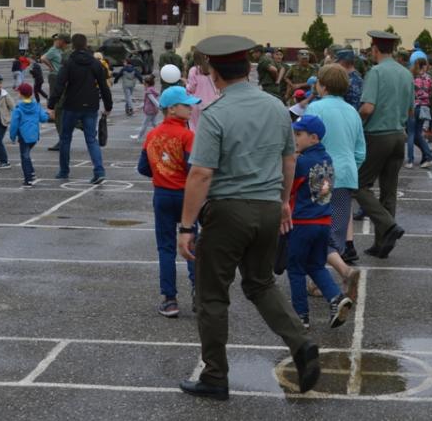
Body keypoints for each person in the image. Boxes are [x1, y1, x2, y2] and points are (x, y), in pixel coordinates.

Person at [176, 34, 320, 400]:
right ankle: (301, 343)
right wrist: (283, 202)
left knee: (212, 295)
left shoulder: (215, 114)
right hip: (269, 207)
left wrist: (186, 226)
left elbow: (201, 173)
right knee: (260, 284)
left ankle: (215, 376)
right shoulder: (276, 107)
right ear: (248, 69)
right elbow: (289, 159)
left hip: (229, 210)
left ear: (214, 74)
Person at [137, 85, 200, 317]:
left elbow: (143, 167)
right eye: (186, 105)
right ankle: (198, 292)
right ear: (172, 109)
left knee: (165, 248)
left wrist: (162, 172)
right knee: (191, 243)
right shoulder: (188, 136)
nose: (191, 108)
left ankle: (170, 299)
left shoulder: (152, 135)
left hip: (162, 195)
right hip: (185, 195)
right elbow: (193, 169)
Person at [287, 114, 355, 329]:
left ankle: (300, 315)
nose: (294, 138)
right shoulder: (327, 159)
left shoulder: (301, 162)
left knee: (295, 269)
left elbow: (288, 187)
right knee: (315, 265)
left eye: (299, 134)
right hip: (323, 221)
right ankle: (336, 298)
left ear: (314, 138)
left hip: (302, 222)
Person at [306, 65, 365, 296]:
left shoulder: (315, 107)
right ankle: (328, 275)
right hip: (346, 175)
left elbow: (306, 140)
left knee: (315, 225)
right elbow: (360, 151)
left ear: (323, 86)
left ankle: (333, 274)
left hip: (320, 174)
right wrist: (348, 168)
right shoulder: (352, 111)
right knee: (336, 228)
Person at [354, 30, 413, 259]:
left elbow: (368, 107)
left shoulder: (376, 72)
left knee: (358, 185)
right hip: (399, 134)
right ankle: (382, 244)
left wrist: (355, 123)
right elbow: (411, 110)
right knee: (389, 191)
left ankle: (389, 226)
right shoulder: (405, 73)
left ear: (375, 49)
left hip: (378, 135)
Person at [47, 33, 113, 185]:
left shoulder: (69, 62)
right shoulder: (95, 63)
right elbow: (103, 86)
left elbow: (59, 84)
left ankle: (64, 171)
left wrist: (51, 105)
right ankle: (99, 171)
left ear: (73, 45)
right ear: (85, 44)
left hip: (72, 105)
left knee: (65, 139)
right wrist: (108, 105)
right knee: (91, 139)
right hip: (91, 105)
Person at [9, 82, 50, 187]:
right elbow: (44, 118)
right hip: (34, 136)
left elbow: (14, 124)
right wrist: (47, 113)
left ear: (21, 94)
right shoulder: (36, 105)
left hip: (23, 136)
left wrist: (12, 136)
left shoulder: (18, 108)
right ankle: (31, 172)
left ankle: (28, 179)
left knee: (24, 156)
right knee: (26, 154)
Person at [42, 33, 71, 151]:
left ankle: (83, 126)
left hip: (62, 79)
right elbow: (43, 58)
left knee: (61, 109)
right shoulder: (56, 50)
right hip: (58, 78)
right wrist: (51, 67)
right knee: (60, 108)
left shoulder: (63, 51)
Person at [406, 58, 432, 169]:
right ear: (425, 65)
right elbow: (430, 92)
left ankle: (410, 160)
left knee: (411, 134)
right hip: (424, 107)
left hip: (413, 106)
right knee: (418, 133)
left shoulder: (412, 77)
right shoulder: (429, 78)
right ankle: (429, 156)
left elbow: (408, 92)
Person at [185, 49, 220, 133]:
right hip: (213, 101)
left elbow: (191, 88)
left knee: (196, 128)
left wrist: (186, 84)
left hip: (197, 103)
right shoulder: (213, 68)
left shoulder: (194, 70)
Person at [132, 75, 160, 141]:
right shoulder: (152, 89)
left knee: (144, 124)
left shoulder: (149, 92)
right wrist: (138, 107)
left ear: (147, 84)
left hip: (150, 111)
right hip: (154, 110)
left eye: (144, 84)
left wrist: (160, 107)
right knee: (154, 124)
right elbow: (147, 102)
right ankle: (161, 134)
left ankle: (139, 137)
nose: (143, 85)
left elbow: (154, 101)